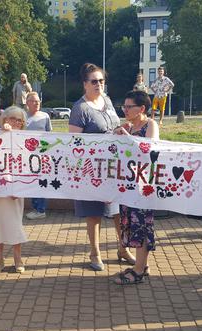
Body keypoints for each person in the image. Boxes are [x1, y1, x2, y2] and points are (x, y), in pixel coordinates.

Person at [69, 62, 136, 271]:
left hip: (113, 167)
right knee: (94, 213)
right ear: (85, 84)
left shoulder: (106, 101)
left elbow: (113, 127)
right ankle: (95, 252)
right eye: (94, 81)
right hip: (90, 168)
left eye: (101, 81)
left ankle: (123, 248)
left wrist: (122, 129)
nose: (99, 84)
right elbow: (74, 141)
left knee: (118, 210)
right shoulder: (79, 109)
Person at [111, 90, 160, 284]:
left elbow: (150, 149)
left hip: (143, 185)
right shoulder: (129, 127)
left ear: (142, 108)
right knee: (131, 224)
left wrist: (126, 137)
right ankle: (142, 265)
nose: (125, 110)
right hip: (128, 184)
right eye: (124, 106)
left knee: (142, 225)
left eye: (129, 106)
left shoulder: (150, 125)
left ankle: (138, 271)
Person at [0, 106, 29, 274]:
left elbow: (28, 164)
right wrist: (1, 132)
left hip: (16, 188)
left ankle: (17, 257)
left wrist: (19, 186)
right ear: (5, 119)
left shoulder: (24, 138)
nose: (17, 123)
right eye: (13, 119)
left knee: (15, 224)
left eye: (20, 120)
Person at [25, 92, 52, 220]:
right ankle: (36, 207)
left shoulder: (45, 116)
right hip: (26, 156)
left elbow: (50, 135)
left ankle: (40, 209)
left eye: (38, 101)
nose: (37, 103)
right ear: (27, 103)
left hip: (41, 155)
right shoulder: (23, 117)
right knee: (31, 182)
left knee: (40, 181)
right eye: (34, 101)